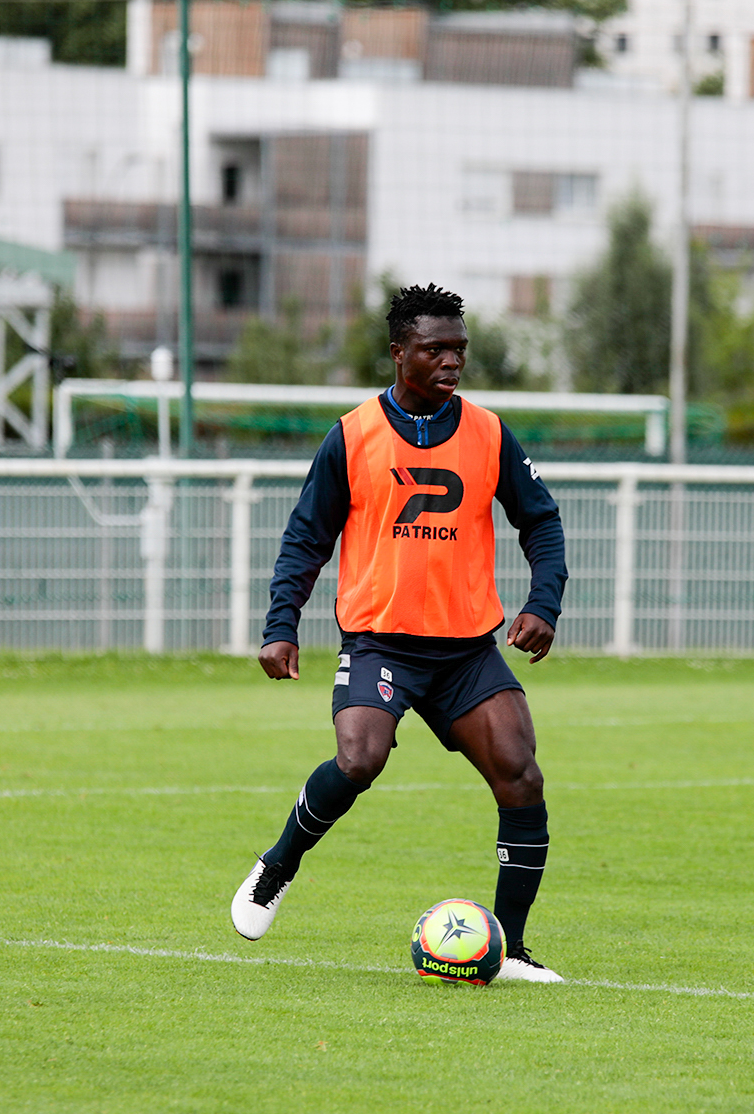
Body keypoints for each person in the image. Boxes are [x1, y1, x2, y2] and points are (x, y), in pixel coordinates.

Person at [231, 283, 569, 982]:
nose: (451, 362)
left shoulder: (490, 433)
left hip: (467, 652)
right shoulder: (352, 436)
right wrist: (279, 626)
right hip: (380, 643)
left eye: (459, 350)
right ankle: (279, 863)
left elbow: (540, 520)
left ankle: (510, 949)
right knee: (359, 759)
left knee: (521, 775)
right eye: (435, 349)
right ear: (398, 354)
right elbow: (306, 539)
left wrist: (544, 602)